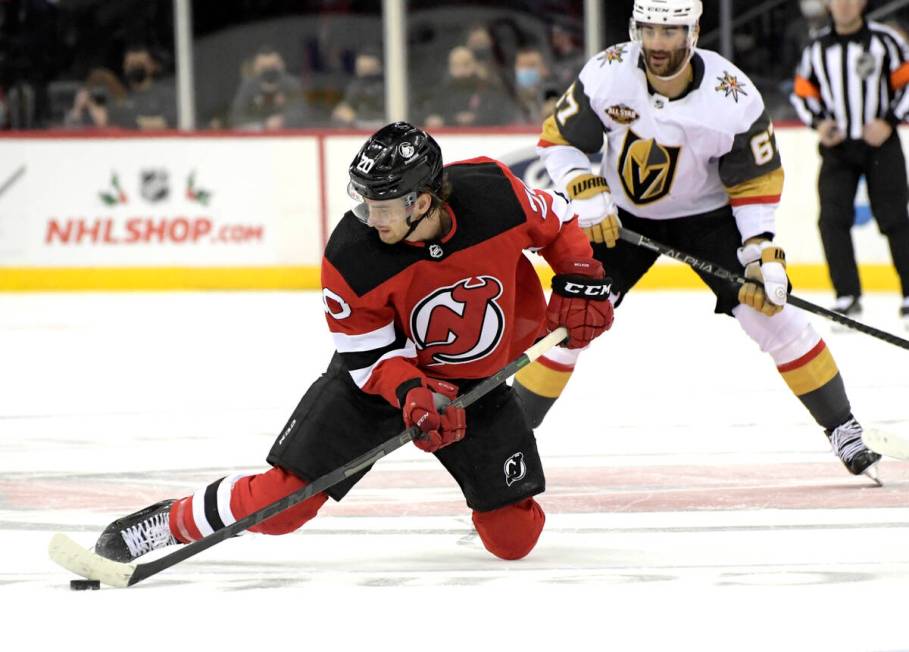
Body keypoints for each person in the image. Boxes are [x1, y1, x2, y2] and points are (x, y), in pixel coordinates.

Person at [90, 122, 615, 565]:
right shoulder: (351, 255)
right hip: (383, 385)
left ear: (424, 201)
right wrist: (413, 393)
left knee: (514, 540)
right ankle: (168, 523)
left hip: (480, 383)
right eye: (365, 202)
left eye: (383, 205)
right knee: (283, 507)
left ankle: (490, 495)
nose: (370, 216)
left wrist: (579, 279)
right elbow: (367, 358)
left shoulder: (495, 192)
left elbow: (560, 221)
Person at [512, 0, 882, 480]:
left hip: (707, 220)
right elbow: (559, 140)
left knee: (773, 317)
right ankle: (510, 438)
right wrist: (583, 185)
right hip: (622, 221)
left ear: (694, 32)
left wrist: (758, 251)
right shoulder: (607, 73)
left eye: (669, 33)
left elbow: (754, 183)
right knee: (569, 322)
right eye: (648, 31)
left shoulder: (733, 97)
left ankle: (843, 429)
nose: (658, 44)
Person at [791, 0, 909, 326]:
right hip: (839, 147)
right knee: (831, 219)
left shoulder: (886, 41)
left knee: (897, 219)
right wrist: (819, 124)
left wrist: (889, 120)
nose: (844, 4)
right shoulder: (815, 48)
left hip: (881, 145)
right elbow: (802, 92)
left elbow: (907, 83)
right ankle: (847, 297)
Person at [421, 46, 516, 127]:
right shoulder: (443, 92)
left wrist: (473, 118)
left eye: (465, 64)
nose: (461, 69)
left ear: (474, 65)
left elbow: (494, 116)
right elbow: (430, 117)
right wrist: (452, 120)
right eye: (456, 65)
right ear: (450, 68)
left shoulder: (488, 88)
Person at [230, 46, 312, 130]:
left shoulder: (292, 84)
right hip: (257, 139)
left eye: (273, 66)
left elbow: (301, 112)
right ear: (255, 67)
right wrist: (264, 124)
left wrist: (283, 120)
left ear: (282, 65)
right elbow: (237, 117)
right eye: (264, 67)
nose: (269, 71)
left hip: (287, 137)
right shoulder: (248, 87)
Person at [108, 44, 176, 130]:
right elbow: (110, 122)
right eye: (131, 64)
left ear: (152, 66)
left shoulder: (166, 94)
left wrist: (132, 123)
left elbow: (169, 122)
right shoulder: (119, 95)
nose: (135, 68)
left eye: (140, 64)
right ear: (124, 67)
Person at [331, 48, 385, 128]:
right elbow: (346, 108)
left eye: (367, 68)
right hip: (359, 128)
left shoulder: (389, 86)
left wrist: (356, 118)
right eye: (360, 68)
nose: (362, 69)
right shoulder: (357, 85)